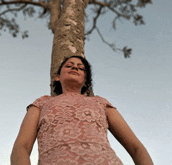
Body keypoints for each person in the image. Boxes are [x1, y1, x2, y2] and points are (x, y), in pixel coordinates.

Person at [11, 56, 153, 165]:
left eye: (81, 67)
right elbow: (21, 146)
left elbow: (136, 147)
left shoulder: (100, 102)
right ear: (57, 77)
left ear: (85, 81)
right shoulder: (42, 102)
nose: (75, 68)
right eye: (69, 65)